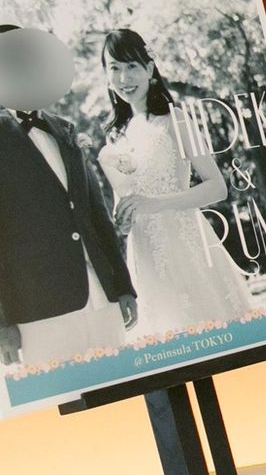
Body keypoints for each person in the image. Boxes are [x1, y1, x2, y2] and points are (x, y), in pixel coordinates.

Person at [96, 29, 251, 334]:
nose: (124, 78)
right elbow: (124, 203)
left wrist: (154, 204)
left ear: (150, 69)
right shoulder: (115, 137)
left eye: (132, 66)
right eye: (114, 68)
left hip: (187, 247)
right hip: (145, 256)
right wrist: (122, 221)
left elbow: (217, 187)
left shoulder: (175, 119)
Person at [0, 24, 137, 368]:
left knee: (123, 381)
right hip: (39, 311)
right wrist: (2, 324)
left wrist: (122, 286)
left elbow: (96, 213)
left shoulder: (65, 129)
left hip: (102, 298)